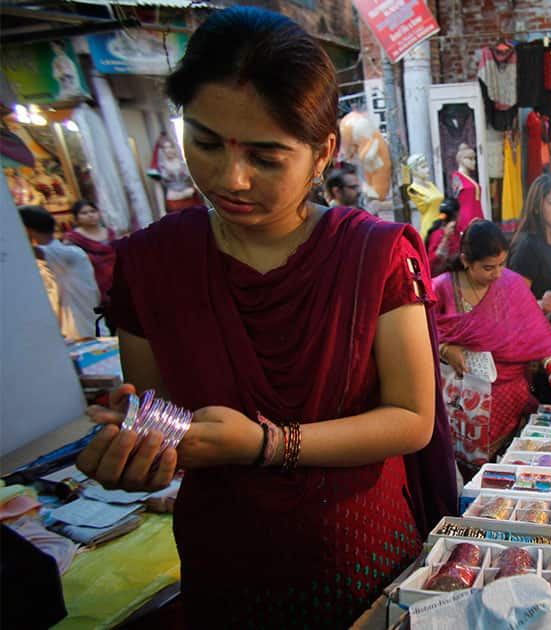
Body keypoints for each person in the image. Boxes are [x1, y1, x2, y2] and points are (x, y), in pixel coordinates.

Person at [74, 8, 456, 625]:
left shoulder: (374, 254)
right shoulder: (151, 263)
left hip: (361, 548)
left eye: (267, 156)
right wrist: (141, 450)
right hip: (229, 558)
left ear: (322, 152)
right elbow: (164, 416)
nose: (232, 179)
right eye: (204, 143)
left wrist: (268, 444)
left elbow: (412, 418)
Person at [432, 220, 551, 466]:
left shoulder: (512, 285)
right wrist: (445, 350)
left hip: (509, 403)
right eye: (488, 268)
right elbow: (420, 338)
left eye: (502, 264)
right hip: (459, 406)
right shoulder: (443, 288)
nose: (498, 273)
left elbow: (543, 341)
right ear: (466, 261)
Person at [19, 205, 101, 340]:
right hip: (66, 336)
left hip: (85, 334)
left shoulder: (70, 254)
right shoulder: (49, 259)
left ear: (28, 230)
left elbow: (36, 252)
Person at [508, 174, 551, 324]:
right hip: (537, 331)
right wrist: (542, 305)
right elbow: (515, 304)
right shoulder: (527, 246)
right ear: (537, 207)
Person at [64, 200, 116, 310]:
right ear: (76, 218)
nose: (90, 215)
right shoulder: (73, 239)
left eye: (93, 211)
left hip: (117, 283)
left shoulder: (110, 233)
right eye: (84, 213)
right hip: (93, 287)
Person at [426, 197, 461, 276]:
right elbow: (432, 267)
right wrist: (445, 239)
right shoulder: (439, 235)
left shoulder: (458, 232)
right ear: (457, 214)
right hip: (443, 280)